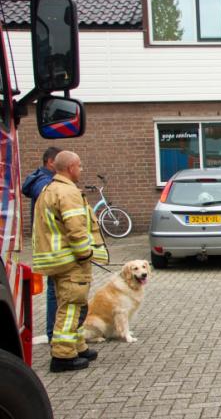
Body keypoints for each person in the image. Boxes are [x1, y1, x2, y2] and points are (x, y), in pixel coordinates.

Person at [33, 151, 108, 372]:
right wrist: (85, 254)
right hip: (71, 261)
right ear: (71, 167)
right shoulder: (68, 192)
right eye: (80, 166)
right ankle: (63, 356)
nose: (81, 170)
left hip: (58, 259)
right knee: (71, 307)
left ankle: (78, 346)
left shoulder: (49, 189)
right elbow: (76, 228)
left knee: (75, 305)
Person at [22, 146, 62, 341]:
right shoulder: (44, 181)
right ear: (51, 162)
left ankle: (54, 331)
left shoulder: (44, 179)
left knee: (55, 287)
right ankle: (53, 332)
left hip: (49, 241)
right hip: (51, 242)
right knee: (55, 288)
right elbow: (49, 197)